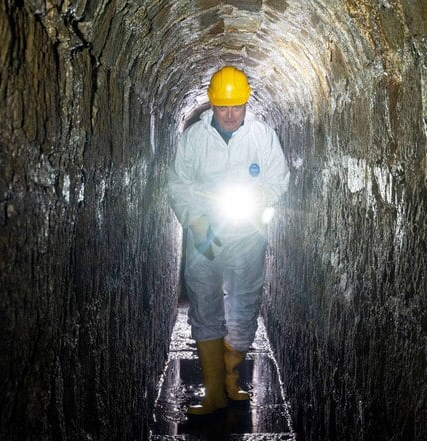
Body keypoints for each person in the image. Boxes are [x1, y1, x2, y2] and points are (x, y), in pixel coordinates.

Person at [166, 66, 290, 416]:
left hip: (246, 231)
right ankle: (213, 391)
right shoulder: (195, 138)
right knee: (204, 303)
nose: (230, 114)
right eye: (223, 107)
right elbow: (178, 182)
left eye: (237, 107)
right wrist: (195, 218)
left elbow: (278, 179)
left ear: (246, 103)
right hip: (205, 232)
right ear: (213, 105)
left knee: (244, 303)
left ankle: (230, 376)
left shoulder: (262, 136)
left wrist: (255, 199)